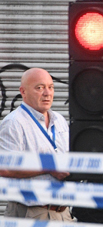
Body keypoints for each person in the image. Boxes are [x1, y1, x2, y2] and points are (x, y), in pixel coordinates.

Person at [0, 68, 71, 221]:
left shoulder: (59, 120)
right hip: (32, 213)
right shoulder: (14, 123)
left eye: (50, 87)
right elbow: (5, 168)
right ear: (23, 91)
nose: (47, 93)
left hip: (63, 212)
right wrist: (49, 168)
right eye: (39, 88)